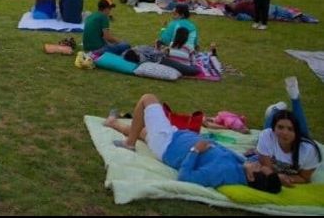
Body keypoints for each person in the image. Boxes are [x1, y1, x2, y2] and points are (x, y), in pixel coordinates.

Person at [103, 93, 281, 192]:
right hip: (175, 138)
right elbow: (238, 158)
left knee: (147, 99)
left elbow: (185, 177)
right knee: (143, 131)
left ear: (251, 177)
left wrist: (196, 150)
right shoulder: (241, 168)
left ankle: (129, 144)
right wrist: (279, 177)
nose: (257, 163)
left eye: (258, 168)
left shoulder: (221, 173)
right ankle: (113, 123)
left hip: (167, 144)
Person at [256, 77, 321, 185]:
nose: (285, 133)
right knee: (268, 129)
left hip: (300, 138)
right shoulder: (267, 135)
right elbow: (266, 168)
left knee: (302, 130)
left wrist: (284, 179)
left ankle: (294, 98)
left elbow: (305, 178)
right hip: (271, 133)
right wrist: (278, 178)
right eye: (280, 128)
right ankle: (275, 110)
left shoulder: (308, 150)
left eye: (290, 129)